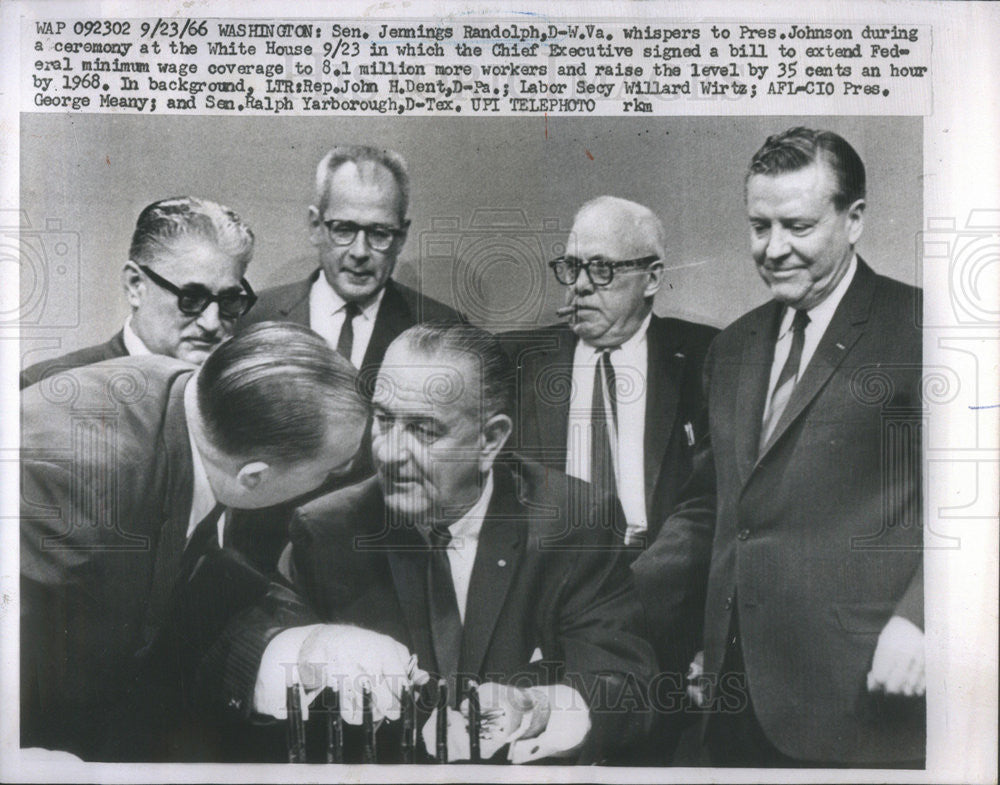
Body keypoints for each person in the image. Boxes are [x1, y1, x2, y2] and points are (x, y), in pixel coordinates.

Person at [213, 323, 657, 764]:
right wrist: (310, 659)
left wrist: (540, 707)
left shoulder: (573, 521)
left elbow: (626, 685)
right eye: (384, 420)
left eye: (423, 430)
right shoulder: (328, 530)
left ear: (491, 440)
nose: (388, 453)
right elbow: (259, 665)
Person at [632, 127, 924, 767]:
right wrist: (614, 603)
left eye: (797, 225)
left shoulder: (922, 332)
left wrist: (922, 618)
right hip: (732, 703)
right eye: (759, 227)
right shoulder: (732, 348)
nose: (774, 249)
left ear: (855, 220)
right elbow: (713, 508)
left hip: (862, 703)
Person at [20, 322, 368, 760]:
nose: (330, 483)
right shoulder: (86, 500)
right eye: (331, 472)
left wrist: (301, 643)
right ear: (254, 478)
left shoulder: (194, 400)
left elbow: (189, 562)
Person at [505, 196, 717, 551]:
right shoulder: (516, 361)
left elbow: (712, 502)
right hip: (551, 579)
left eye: (602, 269)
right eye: (572, 267)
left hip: (661, 578)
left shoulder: (705, 357)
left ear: (651, 278)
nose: (580, 285)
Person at [238, 145, 461, 381]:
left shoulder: (444, 331)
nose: (360, 252)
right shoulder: (253, 317)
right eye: (344, 229)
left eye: (379, 233)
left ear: (401, 238)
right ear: (316, 226)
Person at [20, 196, 256, 388]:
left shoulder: (250, 394)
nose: (212, 323)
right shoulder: (42, 388)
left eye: (229, 300)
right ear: (135, 285)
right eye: (192, 298)